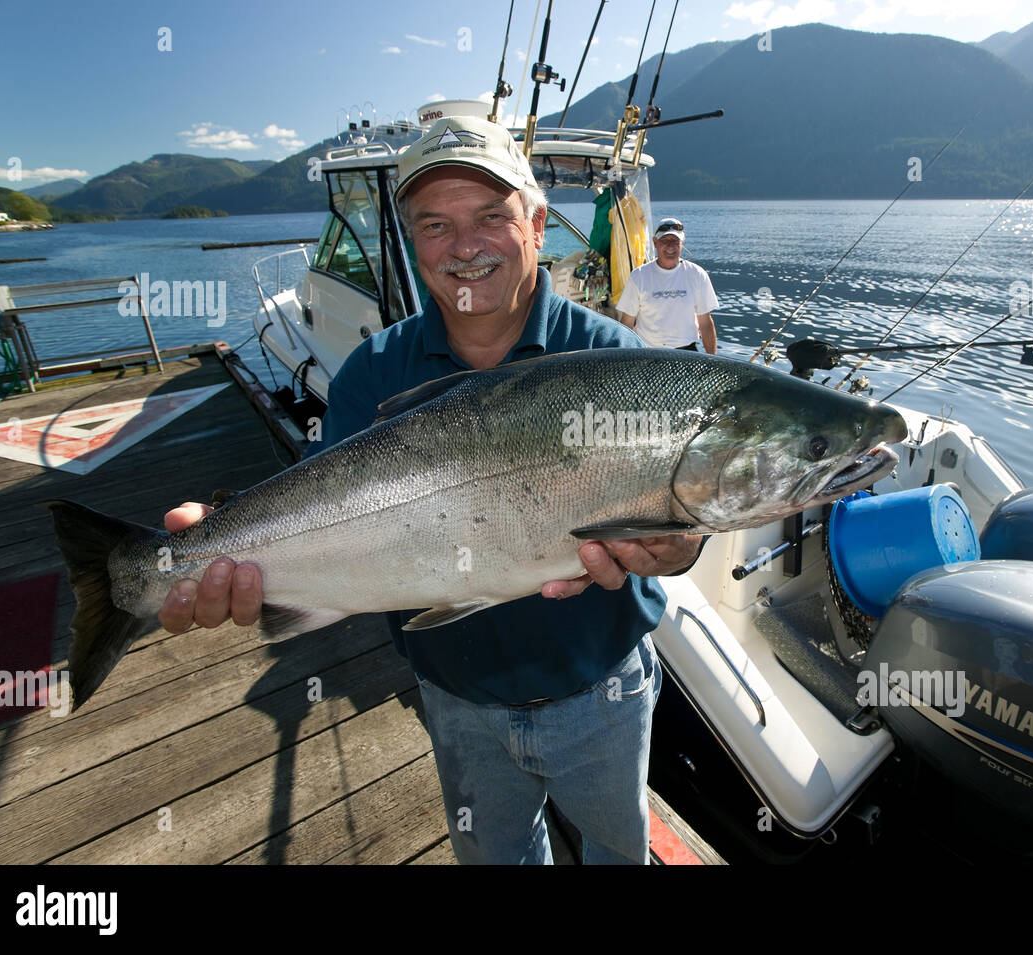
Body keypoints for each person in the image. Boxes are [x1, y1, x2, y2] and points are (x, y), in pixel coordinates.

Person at [155, 114, 704, 865]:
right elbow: (317, 508)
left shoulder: (611, 359)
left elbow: (682, 531)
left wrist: (677, 546)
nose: (465, 246)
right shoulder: (373, 372)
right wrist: (218, 542)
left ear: (537, 224)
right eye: (437, 224)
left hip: (600, 691)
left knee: (617, 851)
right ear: (413, 242)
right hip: (456, 697)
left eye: (490, 217)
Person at [616, 217, 719, 353]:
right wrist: (625, 358)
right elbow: (627, 323)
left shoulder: (697, 275)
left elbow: (705, 323)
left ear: (682, 243)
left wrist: (712, 359)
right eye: (665, 241)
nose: (670, 246)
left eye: (675, 241)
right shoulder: (638, 276)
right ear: (655, 243)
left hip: (687, 353)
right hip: (647, 352)